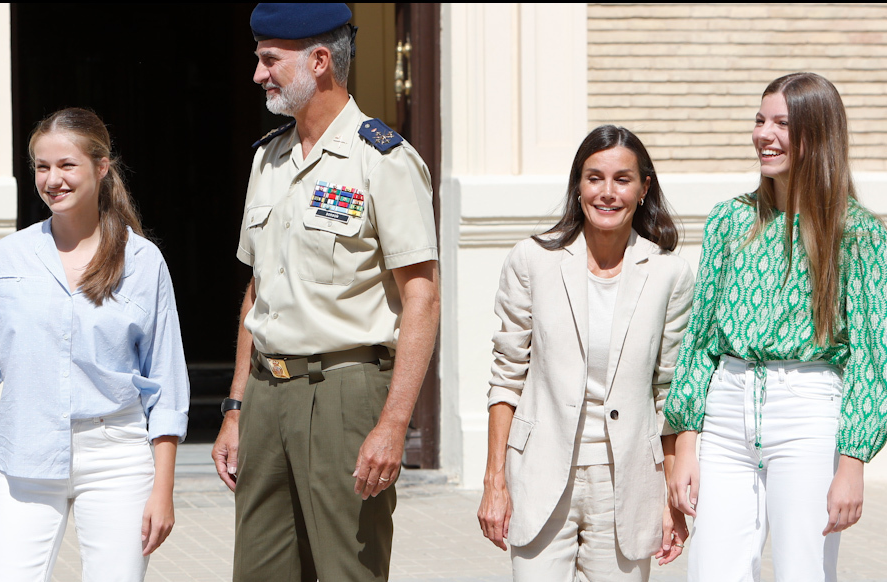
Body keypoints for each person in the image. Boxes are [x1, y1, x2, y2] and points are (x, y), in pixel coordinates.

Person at [210, 3, 440, 581]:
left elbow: (422, 297)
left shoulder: (383, 160)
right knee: (259, 572)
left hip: (345, 393)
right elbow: (257, 291)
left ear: (318, 61)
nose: (258, 74)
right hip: (266, 393)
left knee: (346, 571)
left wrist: (393, 424)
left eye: (270, 60)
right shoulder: (268, 159)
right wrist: (236, 408)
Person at [0, 107, 189, 581]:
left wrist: (163, 490)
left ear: (101, 167)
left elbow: (166, 385)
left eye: (66, 165)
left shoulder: (143, 261)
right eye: (42, 167)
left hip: (117, 455)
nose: (52, 179)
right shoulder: (8, 256)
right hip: (25, 454)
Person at [666, 72, 887, 581]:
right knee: (711, 571)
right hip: (725, 410)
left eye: (782, 124)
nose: (764, 135)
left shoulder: (857, 233)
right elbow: (700, 338)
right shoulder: (729, 220)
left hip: (808, 412)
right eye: (760, 120)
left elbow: (873, 356)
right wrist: (685, 441)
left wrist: (853, 461)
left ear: (818, 134)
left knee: (802, 571)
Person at [477, 125, 693, 581]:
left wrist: (671, 497)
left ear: (643, 189)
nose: (607, 192)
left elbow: (669, 392)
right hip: (540, 475)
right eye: (595, 178)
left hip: (628, 482)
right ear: (578, 185)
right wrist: (494, 480)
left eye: (622, 179)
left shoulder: (669, 274)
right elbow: (507, 376)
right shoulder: (532, 260)